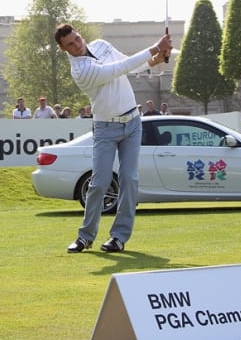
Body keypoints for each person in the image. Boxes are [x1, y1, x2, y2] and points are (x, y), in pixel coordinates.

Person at [54, 23, 172, 253]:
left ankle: (118, 237)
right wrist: (155, 47)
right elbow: (120, 67)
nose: (77, 45)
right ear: (63, 49)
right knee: (100, 181)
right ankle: (86, 236)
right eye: (70, 44)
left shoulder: (101, 45)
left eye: (77, 39)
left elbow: (129, 65)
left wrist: (156, 59)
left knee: (130, 178)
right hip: (105, 128)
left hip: (132, 123)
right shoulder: (81, 71)